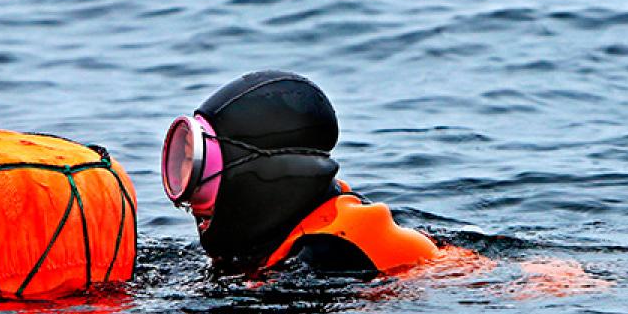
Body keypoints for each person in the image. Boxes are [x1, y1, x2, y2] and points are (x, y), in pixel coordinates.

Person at [160, 69, 480, 277]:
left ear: (262, 176)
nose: (190, 194)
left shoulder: (333, 252)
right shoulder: (263, 244)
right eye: (182, 166)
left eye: (201, 169)